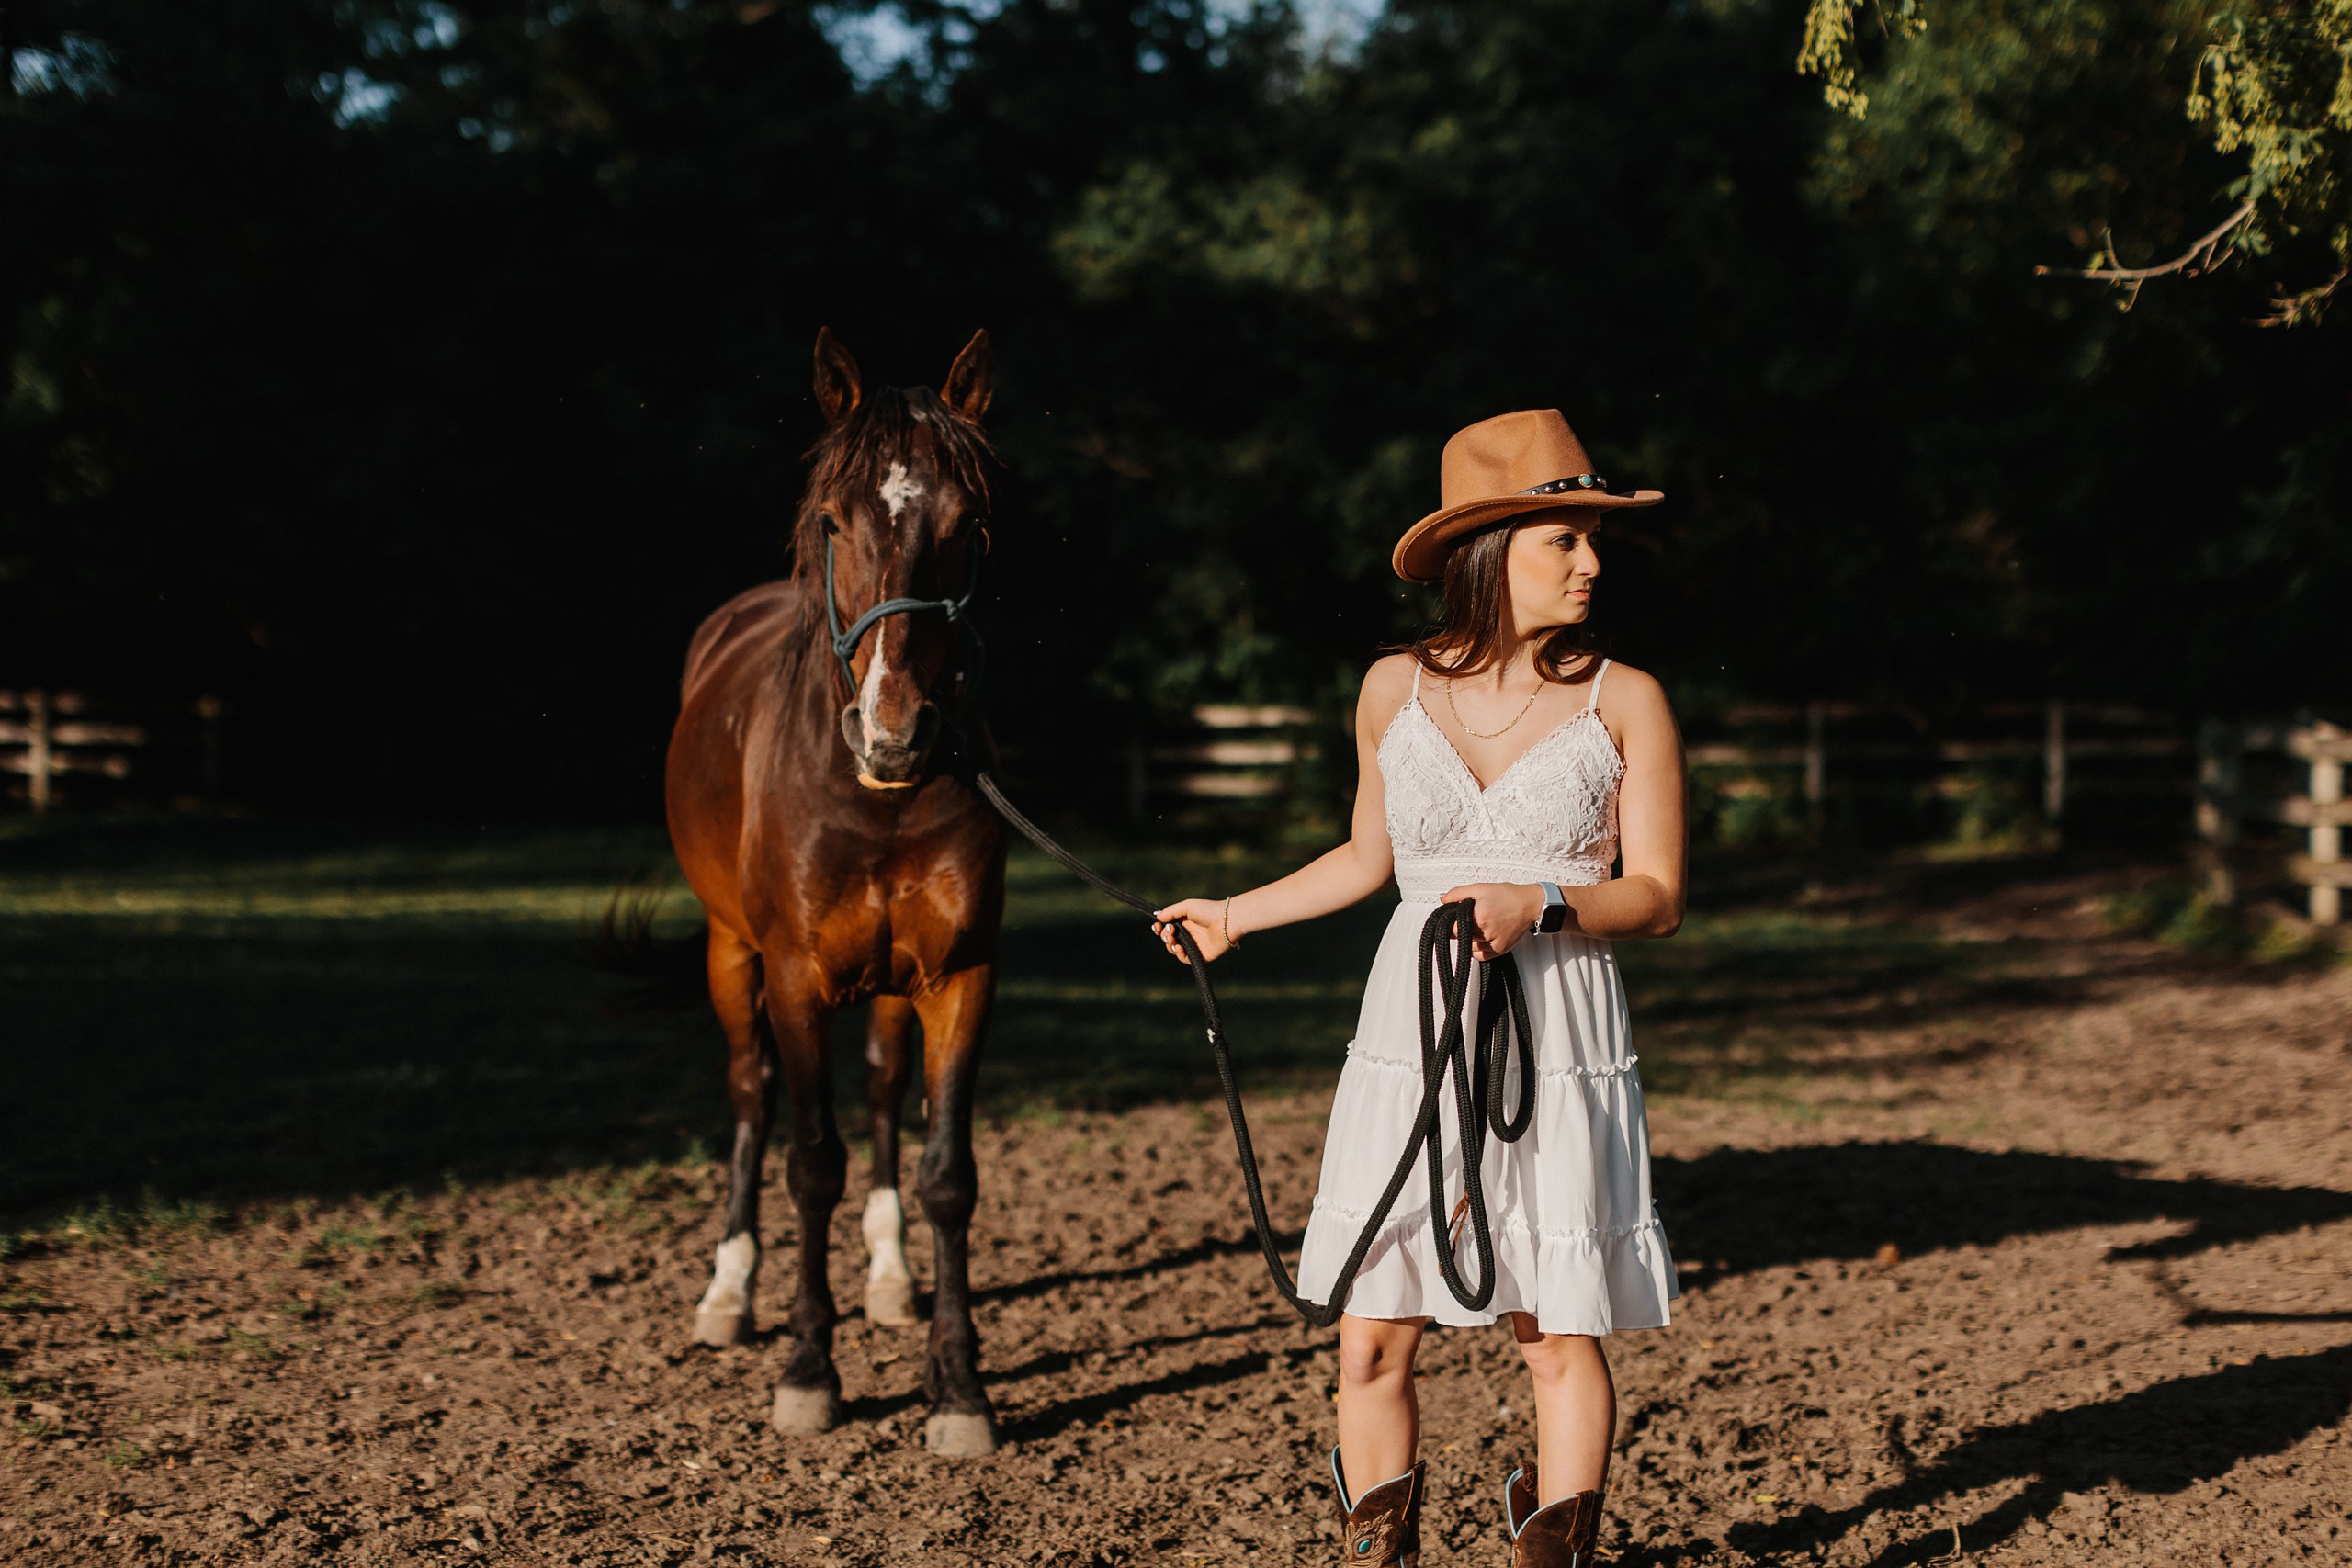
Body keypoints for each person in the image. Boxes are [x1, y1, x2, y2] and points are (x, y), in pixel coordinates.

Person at [1153, 409, 1686, 1568]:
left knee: (1553, 1330)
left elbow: (1654, 894)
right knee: (1370, 1338)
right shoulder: (1390, 688)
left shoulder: (1625, 699)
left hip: (1551, 1023)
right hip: (1414, 1022)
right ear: (1491, 552)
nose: (1592, 563)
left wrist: (1541, 900)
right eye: (1565, 540)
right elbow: (1367, 858)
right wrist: (1233, 915)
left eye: (1594, 540)